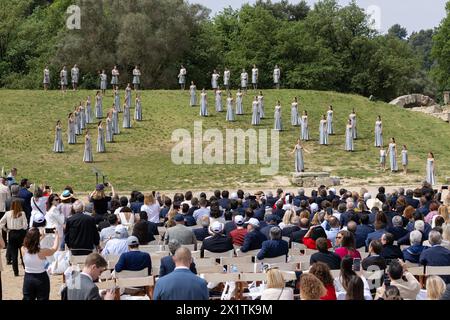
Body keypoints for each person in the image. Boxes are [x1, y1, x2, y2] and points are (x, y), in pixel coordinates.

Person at [21, 228, 59, 300]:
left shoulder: (23, 249)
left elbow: (31, 244)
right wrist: (57, 236)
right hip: (41, 278)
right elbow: (54, 248)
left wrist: (41, 237)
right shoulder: (42, 251)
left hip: (28, 278)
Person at [0, 199, 28, 276]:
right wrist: (23, 228)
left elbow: (1, 223)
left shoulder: (8, 213)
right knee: (23, 253)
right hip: (21, 234)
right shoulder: (22, 213)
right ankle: (26, 269)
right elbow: (25, 226)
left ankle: (16, 272)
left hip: (12, 233)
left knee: (14, 254)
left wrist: (6, 230)